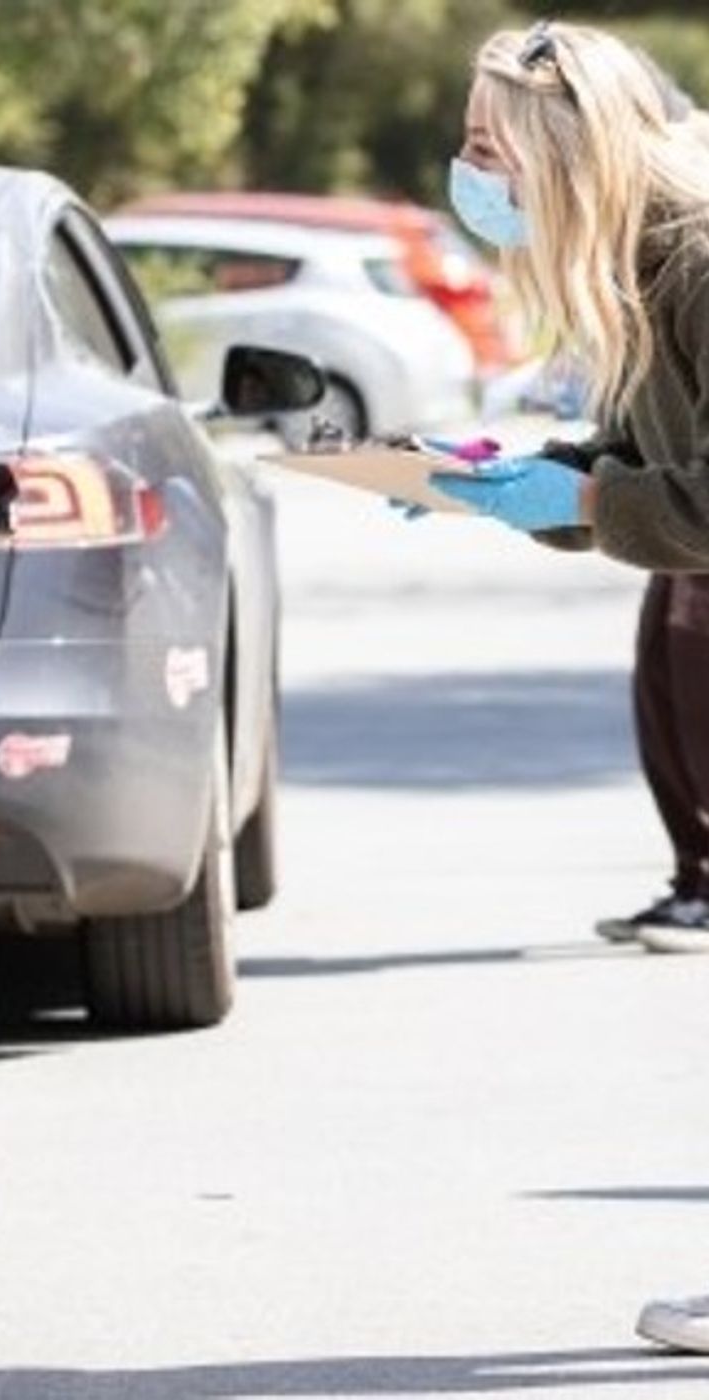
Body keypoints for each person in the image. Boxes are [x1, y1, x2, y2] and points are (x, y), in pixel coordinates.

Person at [428, 19, 709, 1352]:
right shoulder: (647, 269)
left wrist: (586, 496)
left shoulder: (701, 262)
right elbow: (642, 463)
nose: (472, 175)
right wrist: (538, 487)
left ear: (562, 146)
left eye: (490, 148)